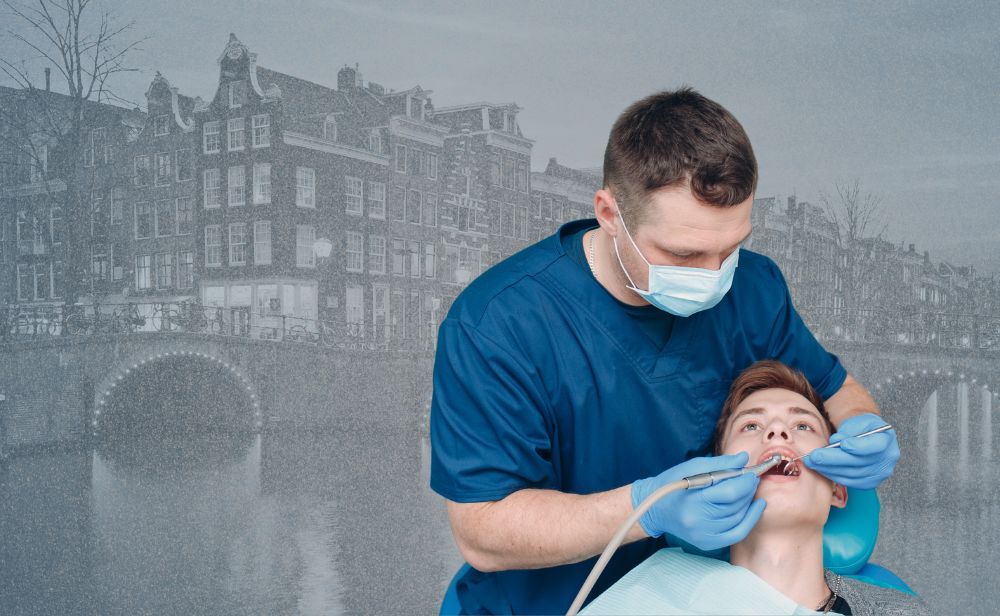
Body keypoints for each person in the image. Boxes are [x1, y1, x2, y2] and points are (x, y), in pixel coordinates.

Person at [430, 87, 900, 615]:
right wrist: (645, 509)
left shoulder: (755, 289)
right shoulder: (498, 324)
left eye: (732, 248)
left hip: (706, 595)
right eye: (683, 253)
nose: (714, 275)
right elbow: (482, 530)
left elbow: (836, 391)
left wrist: (867, 426)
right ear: (610, 213)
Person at [582, 360, 927, 615]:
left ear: (838, 490)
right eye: (750, 425)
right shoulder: (645, 601)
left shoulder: (899, 611)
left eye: (803, 425)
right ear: (715, 475)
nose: (777, 432)